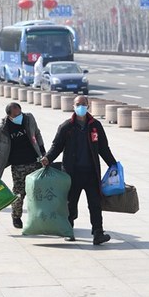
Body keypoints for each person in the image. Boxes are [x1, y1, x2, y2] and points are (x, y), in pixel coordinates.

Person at [40, 95, 117, 245]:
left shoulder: (95, 126)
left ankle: (98, 233)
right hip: (72, 173)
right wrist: (47, 158)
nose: (81, 106)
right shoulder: (66, 126)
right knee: (70, 203)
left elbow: (103, 148)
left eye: (84, 104)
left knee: (95, 204)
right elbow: (57, 146)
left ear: (88, 106)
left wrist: (113, 165)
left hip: (91, 173)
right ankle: (68, 231)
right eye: (78, 104)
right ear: (73, 106)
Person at [0, 102, 45, 229]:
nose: (19, 116)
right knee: (19, 192)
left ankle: (38, 216)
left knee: (37, 192)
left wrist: (42, 151)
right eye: (16, 114)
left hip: (35, 162)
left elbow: (37, 133)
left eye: (20, 112)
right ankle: (16, 216)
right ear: (9, 116)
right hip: (18, 165)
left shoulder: (28, 118)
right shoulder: (2, 128)